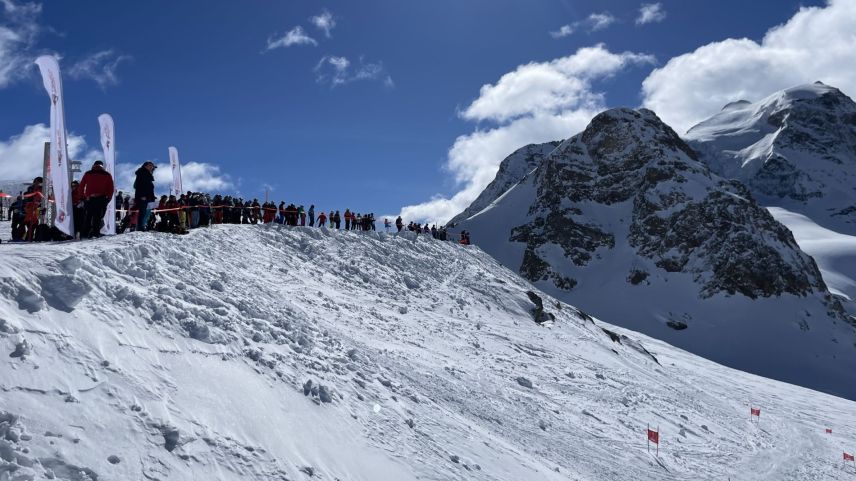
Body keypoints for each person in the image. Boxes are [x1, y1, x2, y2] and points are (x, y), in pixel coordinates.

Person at [78, 160, 115, 238]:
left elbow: (81, 186)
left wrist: (82, 197)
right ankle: (95, 234)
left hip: (89, 199)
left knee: (87, 217)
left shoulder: (88, 173)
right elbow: (111, 188)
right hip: (101, 199)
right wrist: (108, 198)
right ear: (102, 166)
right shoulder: (107, 174)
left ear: (93, 165)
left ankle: (84, 235)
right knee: (97, 218)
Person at [134, 161, 156, 231]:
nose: (151, 167)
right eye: (150, 165)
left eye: (152, 166)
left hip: (149, 197)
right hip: (144, 197)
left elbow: (149, 187)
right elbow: (139, 185)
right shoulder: (142, 173)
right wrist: (142, 195)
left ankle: (143, 226)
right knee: (142, 212)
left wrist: (152, 197)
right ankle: (140, 227)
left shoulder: (147, 174)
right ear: (145, 166)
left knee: (147, 213)